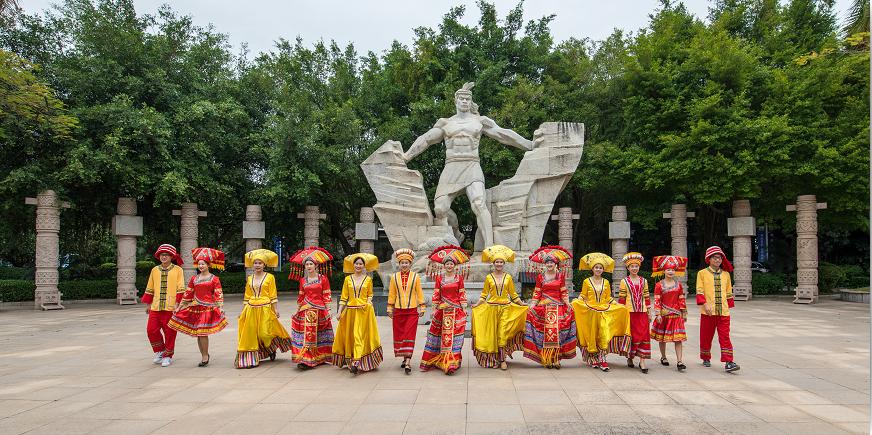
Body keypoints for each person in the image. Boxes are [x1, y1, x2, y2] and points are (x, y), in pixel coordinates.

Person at [401, 82, 534, 247]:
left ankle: (490, 247)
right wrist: (407, 155)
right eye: (461, 98)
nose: (464, 101)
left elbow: (503, 134)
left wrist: (528, 144)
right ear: (455, 101)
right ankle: (456, 234)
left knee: (479, 203)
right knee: (440, 209)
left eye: (467, 99)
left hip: (472, 165)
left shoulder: (480, 121)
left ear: (471, 102)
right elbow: (426, 139)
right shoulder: (445, 123)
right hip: (451, 166)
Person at [168, 247, 228, 367]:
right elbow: (188, 294)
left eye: (203, 264)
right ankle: (204, 355)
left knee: (202, 332)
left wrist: (220, 307)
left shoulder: (214, 279)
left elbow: (218, 293)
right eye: (199, 264)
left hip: (208, 309)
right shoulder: (194, 279)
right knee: (198, 333)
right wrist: (180, 307)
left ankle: (205, 356)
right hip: (196, 308)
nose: (201, 266)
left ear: (208, 265)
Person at [471, 245, 528, 370]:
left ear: (504, 264)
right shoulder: (488, 278)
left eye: (501, 262)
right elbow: (484, 294)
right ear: (493, 263)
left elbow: (513, 294)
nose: (499, 264)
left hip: (506, 309)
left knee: (502, 334)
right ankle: (494, 359)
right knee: (492, 335)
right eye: (497, 262)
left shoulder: (508, 277)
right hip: (491, 309)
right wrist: (477, 304)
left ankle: (503, 360)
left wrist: (521, 304)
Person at [571, 252, 631, 372]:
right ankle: (593, 358)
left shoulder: (606, 282)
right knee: (591, 335)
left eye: (600, 268)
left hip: (604, 311)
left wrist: (616, 304)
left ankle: (602, 358)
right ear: (592, 269)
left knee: (604, 333)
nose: (598, 269)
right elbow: (583, 295)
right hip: (591, 311)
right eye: (596, 267)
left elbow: (608, 297)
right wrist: (576, 301)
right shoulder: (587, 281)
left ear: (603, 269)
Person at [235, 249, 292, 369]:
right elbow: (247, 295)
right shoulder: (250, 278)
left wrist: (275, 309)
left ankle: (271, 348)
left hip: (265, 308)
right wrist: (243, 311)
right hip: (251, 308)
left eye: (260, 263)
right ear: (252, 264)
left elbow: (273, 294)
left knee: (264, 333)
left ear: (264, 265)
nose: (257, 265)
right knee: (251, 334)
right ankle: (250, 359)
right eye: (255, 263)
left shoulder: (270, 277)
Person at [522, 245, 577, 369]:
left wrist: (568, 303)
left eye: (551, 262)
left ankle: (556, 358)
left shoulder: (560, 277)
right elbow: (537, 292)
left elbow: (563, 291)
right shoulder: (540, 277)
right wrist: (532, 304)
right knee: (543, 332)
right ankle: (546, 358)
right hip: (543, 307)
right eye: (547, 262)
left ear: (556, 264)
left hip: (558, 306)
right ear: (544, 264)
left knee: (558, 332)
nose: (549, 264)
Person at [420, 245, 469, 375]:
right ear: (444, 265)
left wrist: (464, 308)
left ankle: (452, 361)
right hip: (443, 310)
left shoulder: (459, 278)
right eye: (447, 263)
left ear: (454, 265)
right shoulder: (440, 279)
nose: (449, 266)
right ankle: (441, 359)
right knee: (441, 336)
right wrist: (433, 309)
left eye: (451, 264)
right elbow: (436, 294)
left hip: (456, 310)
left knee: (454, 337)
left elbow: (462, 294)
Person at [332, 253, 383, 374]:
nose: (358, 266)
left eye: (361, 264)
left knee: (359, 335)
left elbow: (370, 294)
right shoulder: (347, 279)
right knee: (350, 336)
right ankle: (352, 359)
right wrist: (339, 312)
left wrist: (369, 302)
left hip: (364, 311)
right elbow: (344, 297)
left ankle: (356, 361)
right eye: (356, 263)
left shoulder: (368, 279)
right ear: (353, 265)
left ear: (364, 266)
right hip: (350, 311)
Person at [289, 246, 335, 370]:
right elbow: (301, 296)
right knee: (307, 334)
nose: (308, 266)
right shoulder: (303, 280)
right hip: (306, 309)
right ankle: (306, 359)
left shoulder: (323, 279)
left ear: (316, 265)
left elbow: (326, 294)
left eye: (310, 264)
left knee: (320, 334)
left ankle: (320, 357)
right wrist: (297, 310)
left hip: (320, 309)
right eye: (306, 264)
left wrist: (329, 309)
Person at [696, 246, 740, 372]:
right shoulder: (702, 273)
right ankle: (705, 357)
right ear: (709, 259)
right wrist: (705, 304)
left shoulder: (726, 274)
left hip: (723, 312)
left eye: (719, 258)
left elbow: (728, 292)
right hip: (708, 312)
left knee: (725, 336)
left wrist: (729, 306)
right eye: (715, 258)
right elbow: (699, 290)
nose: (717, 260)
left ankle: (729, 362)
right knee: (706, 336)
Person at [142, 244, 186, 367]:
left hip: (171, 307)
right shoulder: (154, 270)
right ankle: (160, 351)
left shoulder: (178, 270)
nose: (164, 257)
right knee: (151, 330)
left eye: (166, 255)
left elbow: (181, 288)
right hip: (156, 306)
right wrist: (148, 304)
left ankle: (168, 355)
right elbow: (150, 287)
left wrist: (178, 304)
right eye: (162, 255)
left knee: (170, 332)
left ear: (171, 256)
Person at [387, 248, 425, 374]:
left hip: (412, 311)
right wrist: (389, 308)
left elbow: (419, 293)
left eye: (406, 262)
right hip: (398, 310)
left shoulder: (416, 277)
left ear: (410, 264)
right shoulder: (394, 277)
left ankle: (408, 361)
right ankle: (404, 358)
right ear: (399, 264)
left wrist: (422, 306)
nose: (404, 265)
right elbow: (392, 294)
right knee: (400, 335)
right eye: (402, 262)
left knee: (409, 335)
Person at [651, 255, 689, 371]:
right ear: (664, 271)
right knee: (663, 338)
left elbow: (681, 299)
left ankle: (679, 361)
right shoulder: (659, 285)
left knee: (678, 339)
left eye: (672, 270)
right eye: (668, 269)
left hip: (676, 315)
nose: (670, 271)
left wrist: (684, 312)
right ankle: (663, 357)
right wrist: (658, 314)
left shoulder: (679, 285)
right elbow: (657, 299)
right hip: (664, 314)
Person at [618, 252, 653, 374]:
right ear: (627, 268)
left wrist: (649, 311)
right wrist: (621, 313)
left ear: (639, 267)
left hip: (642, 312)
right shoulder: (624, 281)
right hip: (629, 312)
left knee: (643, 335)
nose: (634, 268)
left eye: (636, 266)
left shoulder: (644, 281)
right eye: (632, 266)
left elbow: (647, 297)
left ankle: (642, 361)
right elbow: (621, 298)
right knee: (631, 336)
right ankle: (630, 357)